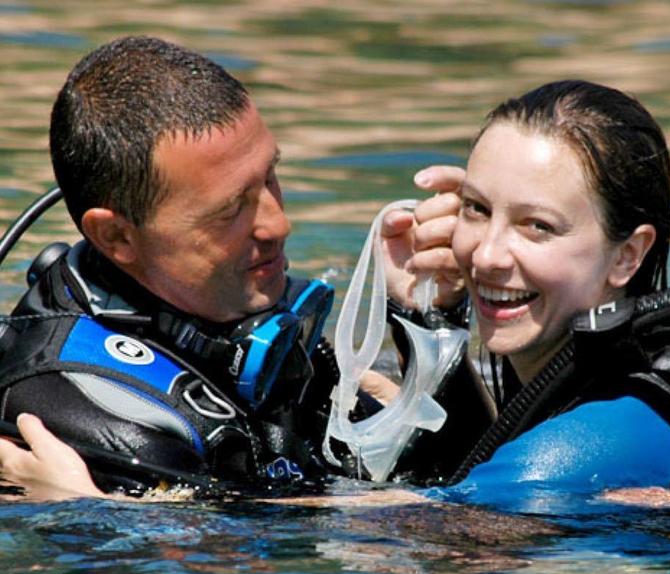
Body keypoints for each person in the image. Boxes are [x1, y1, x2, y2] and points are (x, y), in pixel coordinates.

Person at [0, 36, 483, 499]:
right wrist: (94, 509)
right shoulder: (81, 418)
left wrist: (430, 320)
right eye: (231, 210)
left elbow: (460, 471)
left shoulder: (231, 316)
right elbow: (462, 533)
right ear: (117, 237)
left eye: (270, 177)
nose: (279, 224)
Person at [388, 80, 670, 505]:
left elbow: (428, 528)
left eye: (537, 226)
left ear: (626, 255)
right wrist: (423, 310)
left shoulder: (604, 436)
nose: (488, 255)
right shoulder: (610, 382)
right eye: (477, 208)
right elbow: (474, 458)